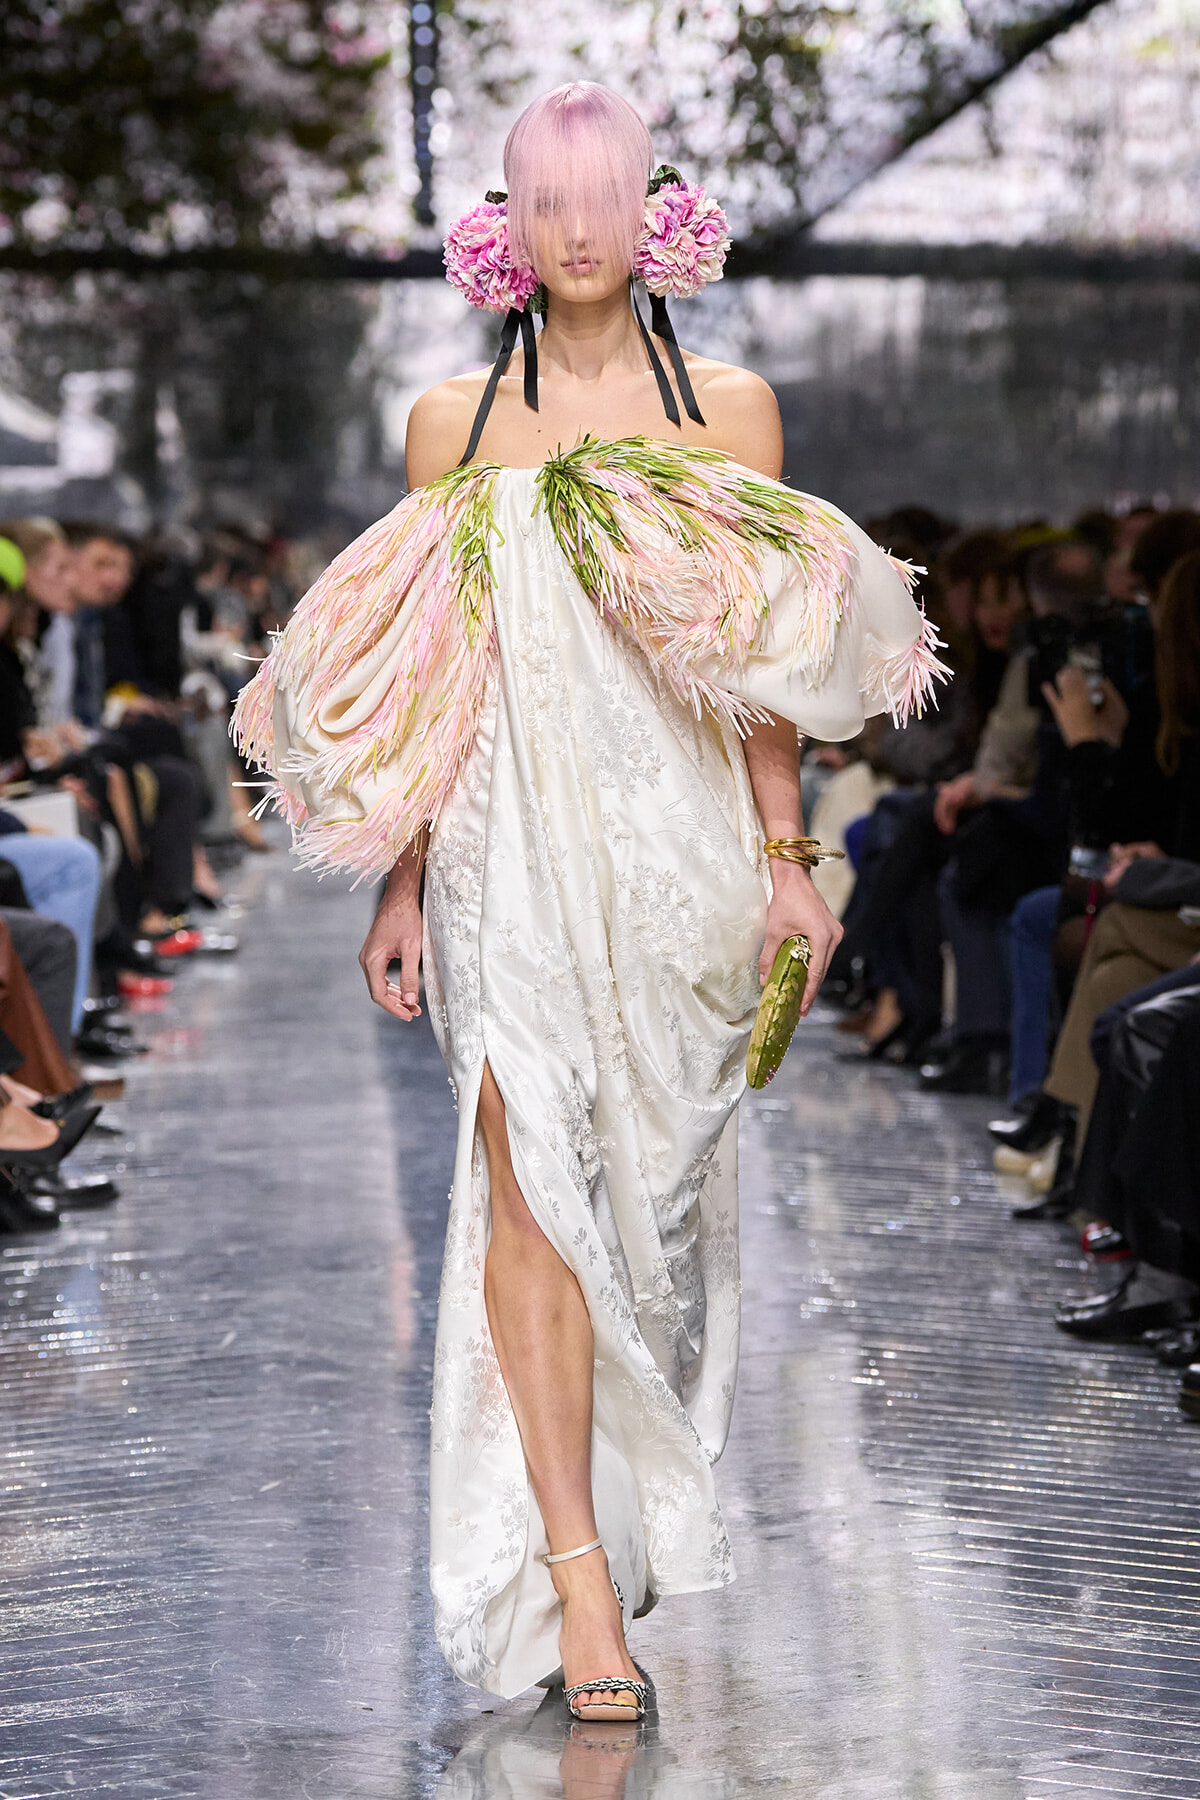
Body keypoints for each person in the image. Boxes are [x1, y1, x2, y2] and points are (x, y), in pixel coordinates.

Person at [233, 84, 943, 1717]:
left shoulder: (731, 416)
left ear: (650, 213)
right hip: (501, 855)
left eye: (600, 195)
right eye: (542, 199)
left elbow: (762, 667)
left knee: (647, 1210)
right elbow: (431, 676)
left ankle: (620, 1509)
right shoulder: (452, 427)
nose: (573, 229)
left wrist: (789, 865)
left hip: (678, 860)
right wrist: (403, 879)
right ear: (507, 222)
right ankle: (575, 1579)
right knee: (526, 1188)